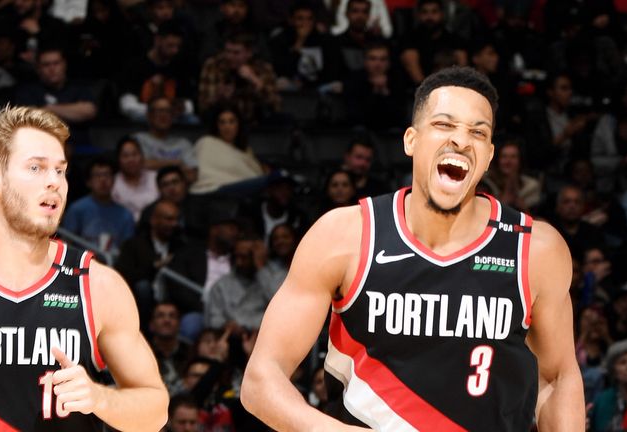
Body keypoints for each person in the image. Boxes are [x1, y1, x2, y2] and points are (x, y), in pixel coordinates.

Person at [240, 67, 584, 430]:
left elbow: (559, 377)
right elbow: (261, 380)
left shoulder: (534, 249)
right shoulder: (345, 235)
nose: (461, 141)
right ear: (411, 140)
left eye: (477, 133)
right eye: (444, 125)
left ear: (488, 156)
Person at [0, 106, 168, 430]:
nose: (54, 182)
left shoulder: (97, 285)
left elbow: (155, 409)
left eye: (60, 170)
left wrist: (98, 398)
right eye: (36, 168)